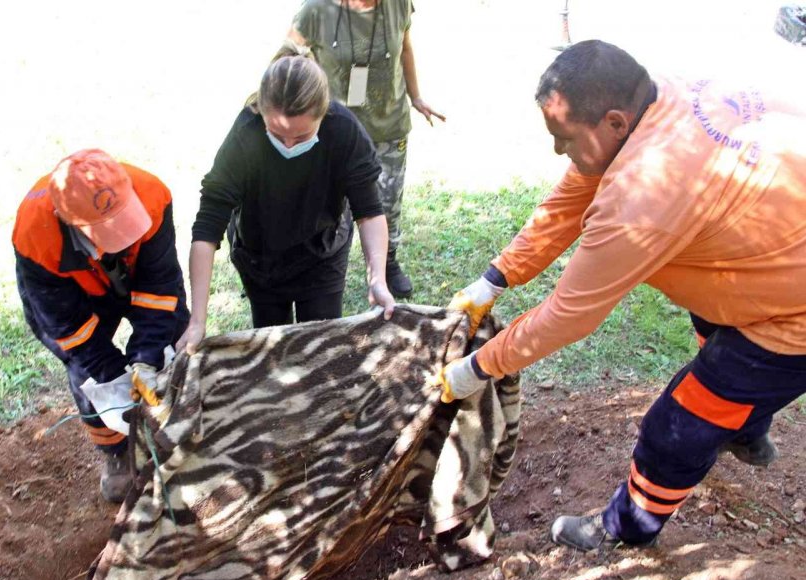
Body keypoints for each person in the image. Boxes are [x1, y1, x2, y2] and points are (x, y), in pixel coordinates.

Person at [439, 40, 806, 551]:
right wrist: (495, 278)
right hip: (767, 252)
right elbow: (570, 200)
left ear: (613, 122)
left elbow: (567, 315)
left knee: (677, 426)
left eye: (563, 139)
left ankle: (625, 529)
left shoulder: (644, 196)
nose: (556, 151)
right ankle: (746, 428)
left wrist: (475, 368)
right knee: (710, 329)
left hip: (794, 318)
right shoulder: (659, 100)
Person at [178, 49, 395, 353]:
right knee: (272, 349)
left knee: (320, 350)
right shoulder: (245, 136)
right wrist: (198, 320)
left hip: (323, 251)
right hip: (260, 257)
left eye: (302, 135)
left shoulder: (343, 130)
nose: (289, 144)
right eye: (277, 134)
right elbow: (206, 230)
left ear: (323, 115)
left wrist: (378, 280)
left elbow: (369, 212)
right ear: (262, 113)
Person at [13, 149, 189, 503]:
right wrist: (115, 376)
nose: (124, 238)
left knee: (173, 339)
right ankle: (117, 456)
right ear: (72, 224)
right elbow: (72, 333)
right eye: (112, 233)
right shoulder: (36, 236)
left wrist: (146, 358)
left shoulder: (152, 195)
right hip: (76, 293)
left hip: (140, 272)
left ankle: (179, 433)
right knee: (92, 377)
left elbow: (159, 286)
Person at [288, 0, 445, 298]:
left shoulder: (399, 4)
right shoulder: (316, 10)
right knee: (330, 207)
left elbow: (406, 47)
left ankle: (386, 265)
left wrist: (416, 96)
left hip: (389, 123)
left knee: (387, 202)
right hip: (335, 130)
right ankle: (324, 265)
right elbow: (287, 59)